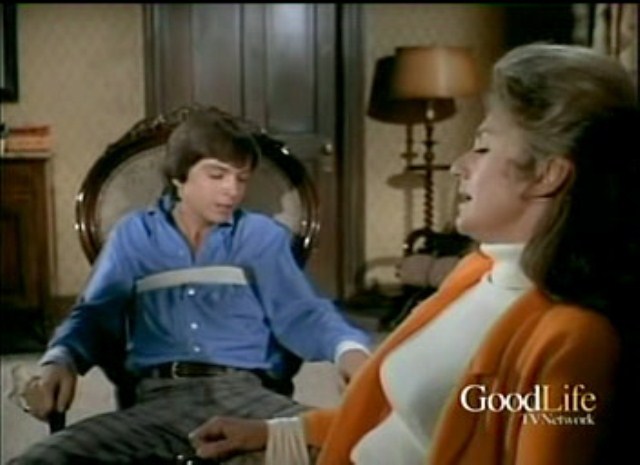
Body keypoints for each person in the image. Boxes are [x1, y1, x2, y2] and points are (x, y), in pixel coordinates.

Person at [187, 42, 640, 465]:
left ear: (546, 175)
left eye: (483, 146)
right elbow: (398, 419)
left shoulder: (577, 338)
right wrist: (272, 433)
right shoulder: (476, 271)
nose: (459, 166)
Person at [11, 108, 372, 464]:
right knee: (40, 461)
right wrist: (61, 359)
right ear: (179, 178)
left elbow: (303, 312)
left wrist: (348, 350)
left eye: (241, 179)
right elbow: (93, 316)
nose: (232, 190)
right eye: (217, 175)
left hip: (249, 401)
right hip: (156, 402)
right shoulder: (134, 235)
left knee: (365, 450)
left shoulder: (261, 237)